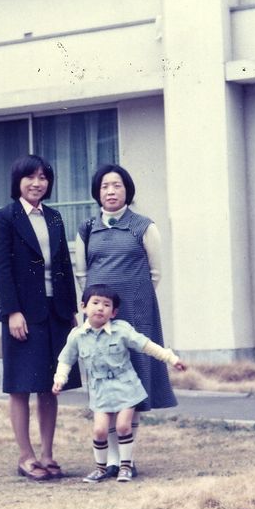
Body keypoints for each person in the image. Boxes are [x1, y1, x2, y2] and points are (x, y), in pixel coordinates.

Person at [74, 163, 176, 478]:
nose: (111, 191)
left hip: (136, 312)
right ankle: (113, 460)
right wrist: (98, 310)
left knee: (132, 381)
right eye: (105, 186)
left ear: (127, 190)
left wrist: (132, 301)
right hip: (98, 320)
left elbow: (155, 273)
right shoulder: (88, 229)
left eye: (117, 185)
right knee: (105, 380)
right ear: (97, 193)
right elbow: (82, 273)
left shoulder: (144, 226)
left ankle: (127, 460)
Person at [0, 154, 82, 481]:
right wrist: (12, 311)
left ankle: (47, 454)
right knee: (20, 387)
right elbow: (1, 268)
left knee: (50, 386)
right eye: (30, 177)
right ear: (18, 181)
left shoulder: (54, 217)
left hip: (55, 311)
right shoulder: (4, 217)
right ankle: (26, 456)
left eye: (43, 177)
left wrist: (72, 311)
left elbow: (63, 266)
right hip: (23, 314)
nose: (37, 183)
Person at [52, 284, 186, 482]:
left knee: (123, 426)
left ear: (113, 312)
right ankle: (101, 468)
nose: (100, 308)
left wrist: (171, 359)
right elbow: (66, 360)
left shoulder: (122, 331)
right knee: (99, 430)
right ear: (83, 307)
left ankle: (125, 466)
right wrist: (59, 379)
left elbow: (146, 345)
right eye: (95, 303)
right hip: (100, 391)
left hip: (126, 386)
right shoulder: (77, 336)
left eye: (106, 305)